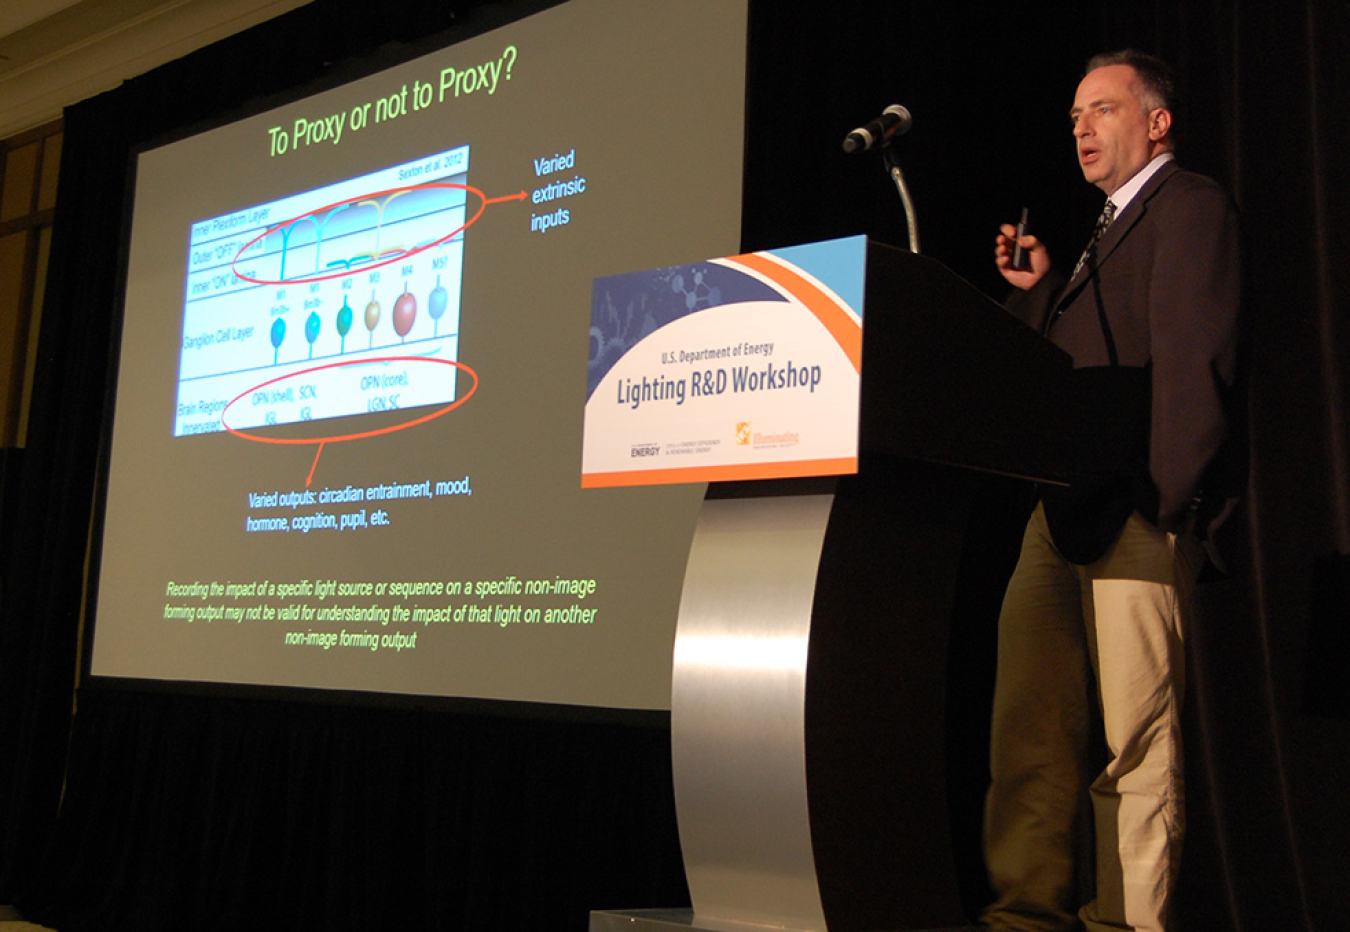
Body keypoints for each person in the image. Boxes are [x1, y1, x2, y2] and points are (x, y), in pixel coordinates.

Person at [982, 50, 1243, 932]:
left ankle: (1125, 924)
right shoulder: (1104, 229)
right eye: (1074, 117)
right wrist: (1044, 288)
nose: (1082, 127)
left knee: (1134, 744)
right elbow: (1075, 367)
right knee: (1029, 735)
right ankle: (1025, 914)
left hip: (1133, 505)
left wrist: (1165, 503)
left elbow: (1193, 363)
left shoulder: (1191, 205)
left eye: (1101, 109)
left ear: (1157, 121)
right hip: (1060, 506)